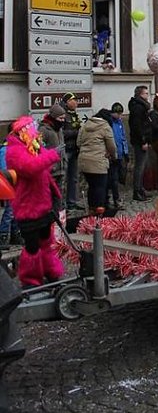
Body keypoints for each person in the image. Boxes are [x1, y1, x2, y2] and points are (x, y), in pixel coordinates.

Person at [6, 116, 65, 287]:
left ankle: (50, 272)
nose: (35, 132)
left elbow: (43, 163)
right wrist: (53, 155)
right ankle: (31, 279)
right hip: (27, 208)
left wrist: (52, 153)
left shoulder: (32, 146)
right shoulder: (14, 151)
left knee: (46, 242)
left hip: (43, 205)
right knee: (32, 247)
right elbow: (31, 167)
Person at [77, 110, 117, 215]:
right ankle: (100, 212)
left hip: (84, 161)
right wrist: (113, 156)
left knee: (92, 186)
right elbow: (111, 146)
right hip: (98, 161)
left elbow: (79, 143)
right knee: (100, 187)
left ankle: (91, 210)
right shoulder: (105, 127)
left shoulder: (85, 125)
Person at [38, 103, 67, 212]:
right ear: (54, 117)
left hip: (61, 169)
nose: (62, 121)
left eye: (64, 118)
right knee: (48, 198)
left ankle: (58, 218)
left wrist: (64, 161)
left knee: (59, 198)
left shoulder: (59, 129)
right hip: (50, 171)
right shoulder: (44, 130)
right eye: (60, 118)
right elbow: (39, 149)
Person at [128, 85, 152, 201]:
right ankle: (137, 191)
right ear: (141, 94)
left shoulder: (141, 106)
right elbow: (137, 126)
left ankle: (140, 189)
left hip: (142, 139)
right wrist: (143, 141)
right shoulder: (138, 107)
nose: (148, 95)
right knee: (139, 167)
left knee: (142, 166)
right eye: (146, 93)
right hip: (140, 141)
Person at [106, 103, 129, 210]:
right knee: (112, 179)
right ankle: (113, 199)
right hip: (112, 155)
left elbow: (123, 137)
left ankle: (116, 199)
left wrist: (125, 151)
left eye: (120, 114)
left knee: (118, 178)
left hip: (120, 154)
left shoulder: (120, 122)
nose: (120, 116)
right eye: (118, 114)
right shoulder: (109, 123)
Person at [62, 92, 82, 210]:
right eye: (74, 100)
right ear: (68, 101)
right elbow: (61, 133)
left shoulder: (74, 114)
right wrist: (76, 133)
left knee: (73, 177)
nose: (77, 103)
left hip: (74, 149)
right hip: (65, 149)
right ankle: (61, 204)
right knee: (63, 178)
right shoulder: (62, 114)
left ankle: (72, 202)